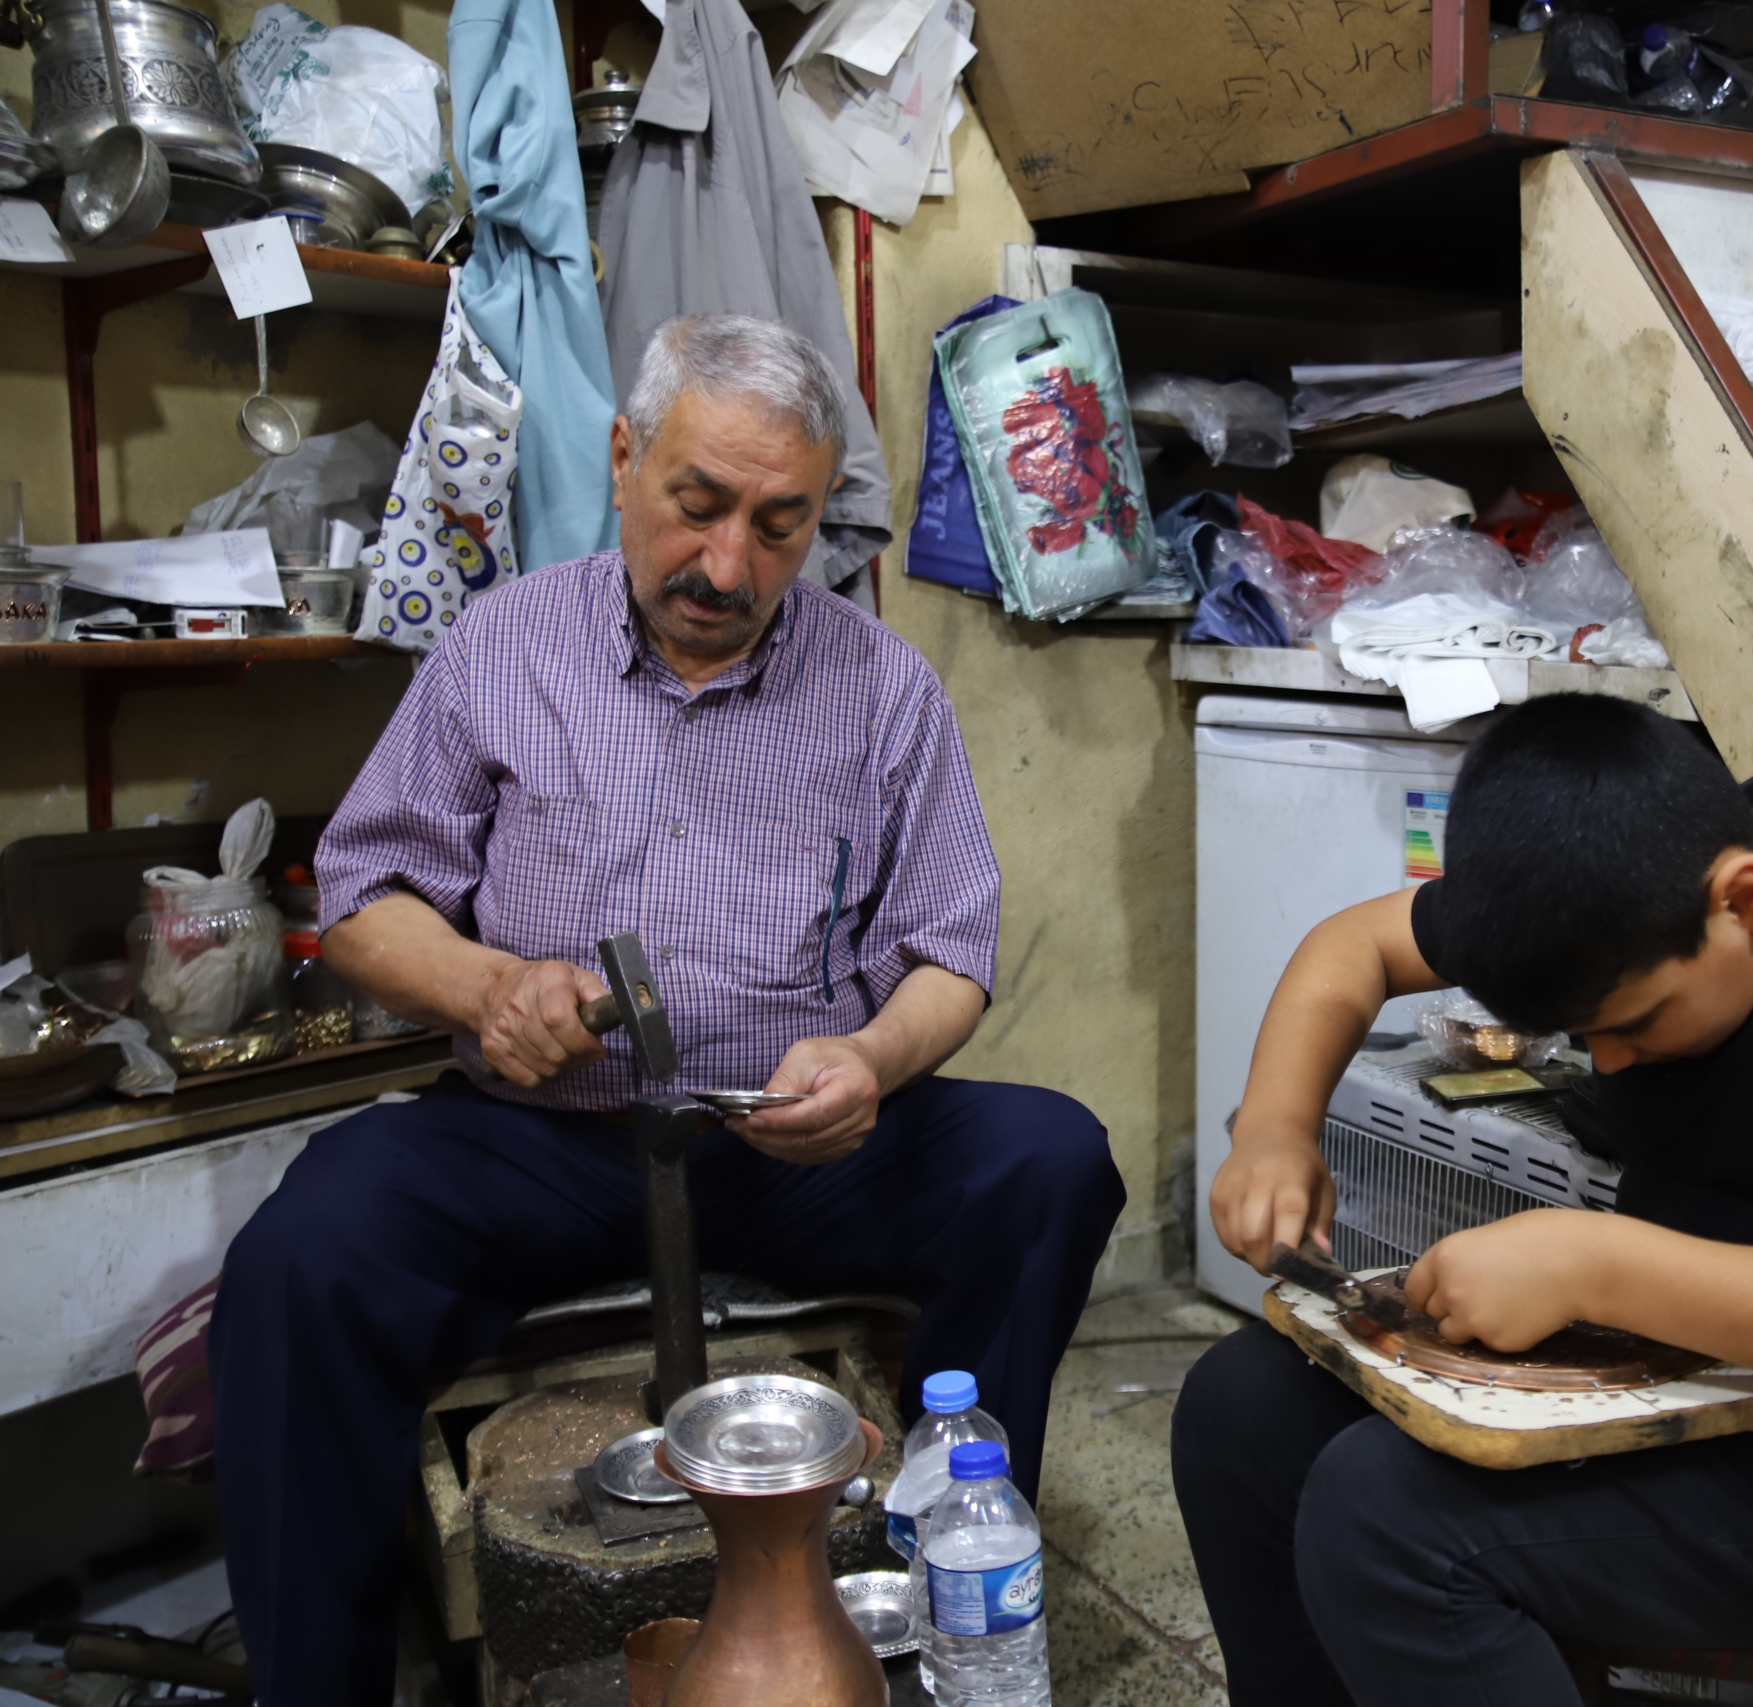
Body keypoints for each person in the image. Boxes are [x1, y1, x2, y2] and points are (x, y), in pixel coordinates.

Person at [209, 314, 1125, 1703]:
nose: (726, 566)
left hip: (788, 1141)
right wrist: (484, 981)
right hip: (543, 1137)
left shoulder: (881, 684)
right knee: (304, 1256)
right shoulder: (502, 646)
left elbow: (951, 952)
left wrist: (873, 1058)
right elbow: (361, 898)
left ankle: (935, 1591)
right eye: (697, 507)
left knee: (1047, 1161)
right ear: (626, 461)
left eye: (778, 524)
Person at [1172, 693, 1753, 1707]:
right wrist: (1274, 1129)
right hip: (1683, 1369)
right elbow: (1356, 945)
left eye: (1635, 1024)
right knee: (1240, 1410)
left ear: (1746, 903)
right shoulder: (1604, 879)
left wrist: (1591, 1264)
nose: (1607, 1063)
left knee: (1388, 1524)